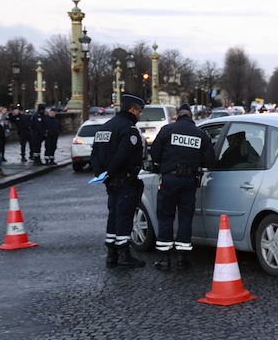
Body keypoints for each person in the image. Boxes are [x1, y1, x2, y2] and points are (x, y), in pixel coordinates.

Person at [150, 103, 215, 271]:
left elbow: (154, 153)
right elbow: (210, 161)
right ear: (191, 117)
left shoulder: (167, 130)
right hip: (189, 181)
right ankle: (182, 257)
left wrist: (161, 165)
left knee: (165, 216)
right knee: (186, 217)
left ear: (177, 116)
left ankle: (164, 259)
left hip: (169, 179)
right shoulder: (201, 135)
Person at [90, 93, 147, 269]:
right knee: (124, 215)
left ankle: (111, 254)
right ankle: (124, 254)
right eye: (139, 111)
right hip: (125, 179)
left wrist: (104, 175)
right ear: (132, 110)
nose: (140, 115)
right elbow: (122, 156)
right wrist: (113, 173)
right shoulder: (129, 130)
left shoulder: (104, 128)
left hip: (109, 181)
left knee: (113, 214)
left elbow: (94, 155)